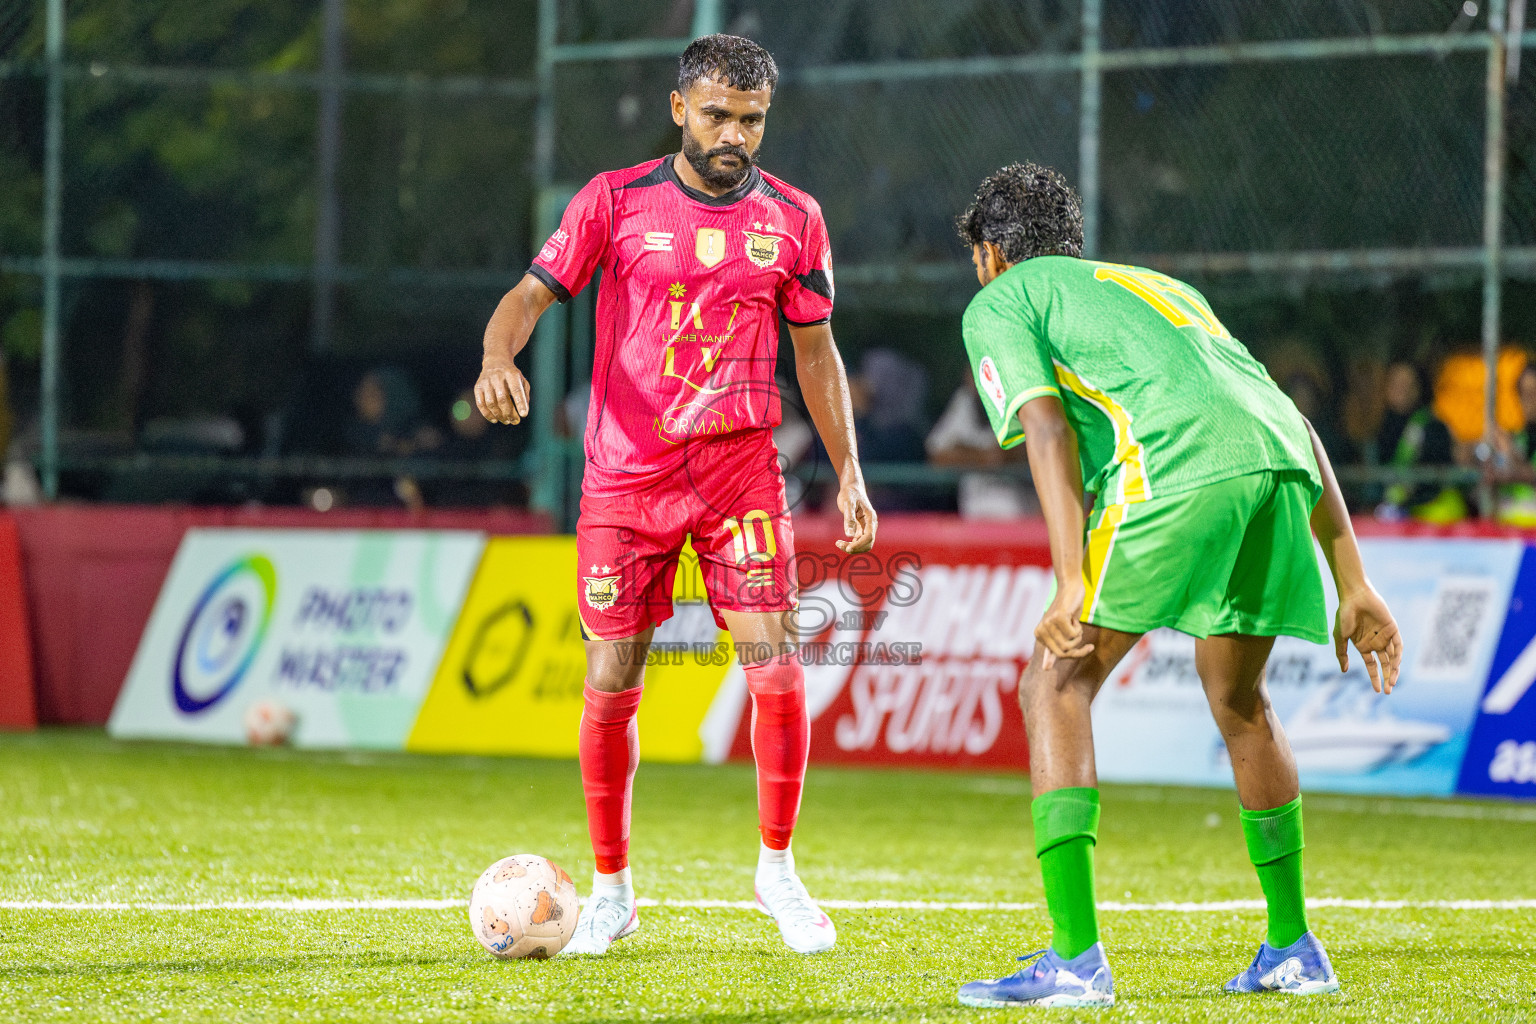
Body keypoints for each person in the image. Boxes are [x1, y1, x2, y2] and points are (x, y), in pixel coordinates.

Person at [950, 163, 1402, 1007]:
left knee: (1054, 684)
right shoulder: (1158, 287)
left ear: (991, 253)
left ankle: (1075, 964)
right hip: (1278, 468)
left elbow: (1045, 426)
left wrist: (1066, 581)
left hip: (1175, 470)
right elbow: (1290, 417)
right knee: (1239, 699)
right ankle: (1293, 947)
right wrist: (1355, 578)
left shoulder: (1002, 300)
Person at [472, 35, 876, 957]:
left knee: (775, 665)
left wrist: (850, 471)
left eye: (753, 119)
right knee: (614, 675)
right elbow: (528, 300)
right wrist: (498, 358)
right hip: (627, 477)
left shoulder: (796, 219)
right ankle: (611, 891)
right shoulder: (613, 202)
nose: (736, 133)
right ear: (678, 108)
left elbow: (816, 353)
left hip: (738, 475)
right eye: (719, 114)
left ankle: (777, 871)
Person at [1374, 360, 1463, 522]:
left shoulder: (1432, 426)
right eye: (1396, 383)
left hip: (1431, 513)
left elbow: (1435, 474)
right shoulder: (1378, 425)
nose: (1402, 390)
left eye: (1408, 384)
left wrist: (1406, 504)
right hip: (1394, 513)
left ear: (1419, 388)